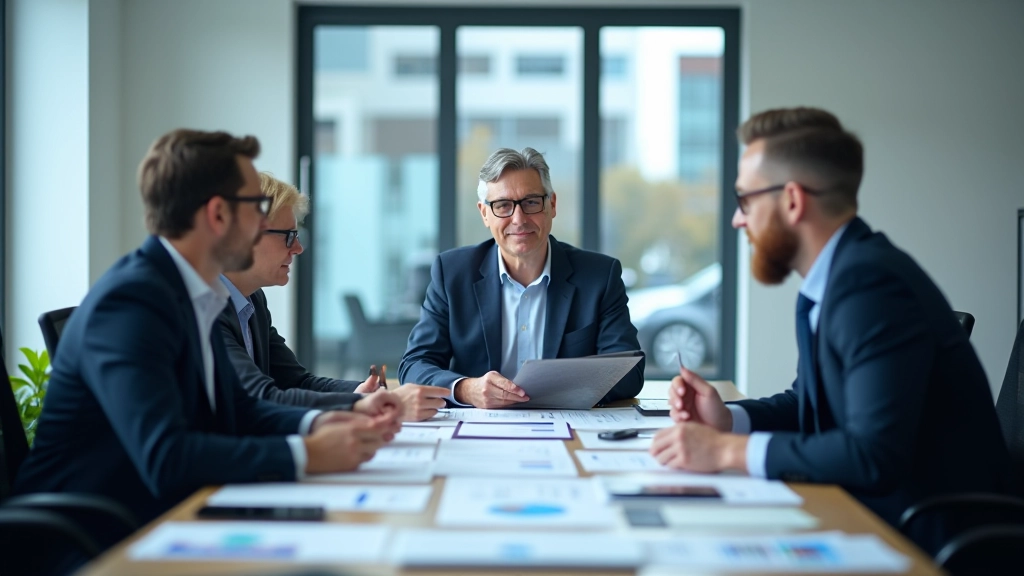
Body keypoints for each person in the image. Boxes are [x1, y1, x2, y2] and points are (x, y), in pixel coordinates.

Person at [14, 130, 403, 535]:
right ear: (218, 214)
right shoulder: (132, 303)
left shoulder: (192, 293)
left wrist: (323, 422)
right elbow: (167, 457)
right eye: (257, 207)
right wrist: (304, 454)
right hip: (94, 540)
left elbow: (241, 409)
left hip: (166, 517)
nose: (263, 224)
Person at [649, 107, 1013, 529]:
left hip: (931, 541)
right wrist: (730, 420)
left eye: (744, 199)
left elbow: (872, 455)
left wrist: (724, 451)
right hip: (874, 516)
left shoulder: (872, 286)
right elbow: (809, 401)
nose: (737, 219)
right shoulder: (837, 278)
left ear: (791, 200)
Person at [399, 147, 644, 408]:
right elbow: (415, 365)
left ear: (551, 205)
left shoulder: (599, 277)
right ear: (484, 213)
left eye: (531, 202)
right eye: (502, 205)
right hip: (478, 428)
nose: (519, 219)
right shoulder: (452, 274)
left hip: (568, 427)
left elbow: (629, 373)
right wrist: (466, 389)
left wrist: (556, 392)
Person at [218, 173, 448, 421]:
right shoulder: (204, 309)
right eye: (289, 236)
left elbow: (296, 382)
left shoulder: (252, 301)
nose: (298, 248)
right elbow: (259, 395)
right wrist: (359, 405)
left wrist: (359, 393)